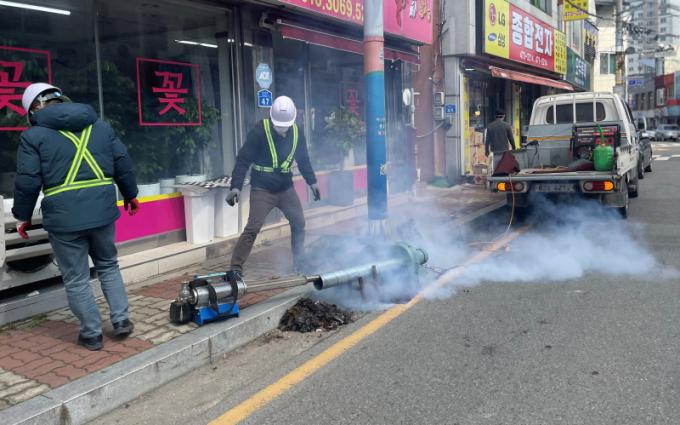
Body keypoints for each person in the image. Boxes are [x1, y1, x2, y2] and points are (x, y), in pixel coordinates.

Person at [12, 83, 139, 351]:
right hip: (102, 210)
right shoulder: (99, 126)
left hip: (64, 218)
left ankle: (92, 334)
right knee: (108, 265)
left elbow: (27, 181)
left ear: (33, 109)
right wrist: (131, 194)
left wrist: (22, 216)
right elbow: (123, 162)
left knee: (77, 278)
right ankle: (121, 320)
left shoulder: (33, 136)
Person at [225, 96, 319, 277]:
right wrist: (235, 187)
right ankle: (235, 269)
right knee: (252, 228)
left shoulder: (297, 132)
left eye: (285, 125)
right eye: (278, 125)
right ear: (272, 118)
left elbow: (304, 160)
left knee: (299, 223)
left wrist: (312, 182)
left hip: (286, 188)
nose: (282, 128)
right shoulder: (259, 132)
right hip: (262, 190)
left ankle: (299, 263)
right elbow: (243, 160)